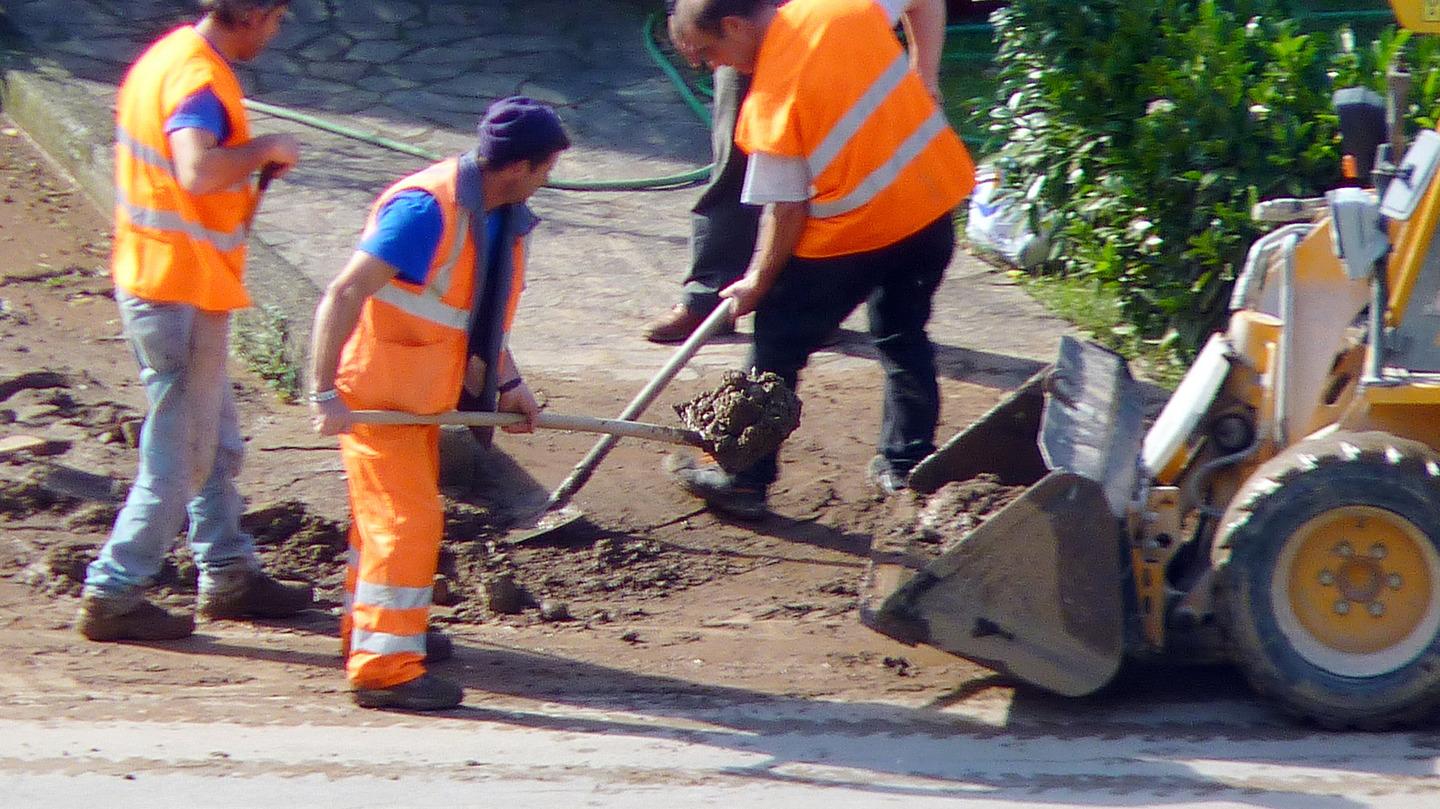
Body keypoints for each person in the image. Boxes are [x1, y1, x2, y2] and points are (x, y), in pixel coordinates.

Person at [307, 97, 570, 712]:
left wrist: (508, 384)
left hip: (416, 399)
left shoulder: (496, 213)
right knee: (408, 524)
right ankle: (385, 668)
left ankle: (371, 631)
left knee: (384, 522)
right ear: (519, 167)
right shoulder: (428, 210)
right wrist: (322, 393)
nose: (548, 180)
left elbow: (471, 320)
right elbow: (344, 292)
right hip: (379, 398)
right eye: (546, 168)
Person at [666, 0, 974, 519]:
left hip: (851, 238)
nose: (716, 67)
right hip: (928, 211)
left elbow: (785, 209)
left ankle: (744, 479)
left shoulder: (771, 99)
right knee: (903, 338)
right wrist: (926, 74)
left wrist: (757, 283)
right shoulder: (844, 9)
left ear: (736, 27)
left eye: (710, 53)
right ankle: (907, 465)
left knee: (776, 347)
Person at [77, 0, 311, 642]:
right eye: (278, 17)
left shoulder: (169, 56)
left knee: (215, 441)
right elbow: (197, 171)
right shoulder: (199, 81)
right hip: (175, 290)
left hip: (171, 282)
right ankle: (114, 588)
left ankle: (229, 571)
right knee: (181, 452)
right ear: (254, 13)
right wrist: (265, 146)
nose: (279, 29)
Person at [640, 62, 758, 343]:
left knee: (823, 157)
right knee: (736, 151)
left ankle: (808, 304)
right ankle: (709, 300)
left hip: (827, 28)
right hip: (745, 21)